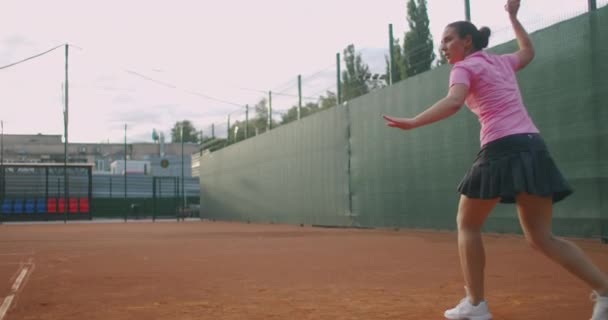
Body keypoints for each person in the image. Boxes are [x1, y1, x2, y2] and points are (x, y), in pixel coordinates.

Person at [382, 0, 608, 319]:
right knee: (542, 237)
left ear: (467, 41)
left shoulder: (464, 67)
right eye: (441, 42)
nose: (443, 47)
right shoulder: (501, 62)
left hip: (502, 147)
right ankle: (606, 292)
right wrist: (513, 18)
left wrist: (413, 121)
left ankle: (476, 304)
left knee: (467, 223)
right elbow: (528, 51)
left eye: (448, 39)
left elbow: (453, 101)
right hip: (533, 146)